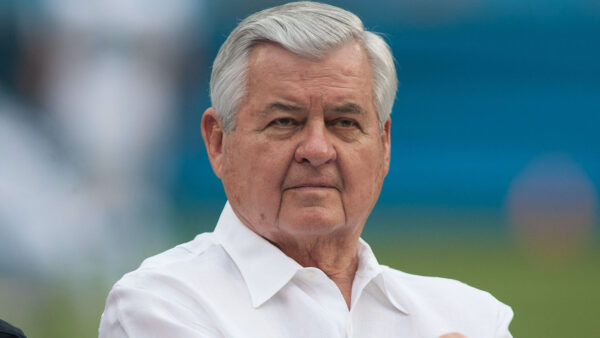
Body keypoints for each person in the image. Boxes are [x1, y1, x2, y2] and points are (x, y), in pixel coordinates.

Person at [99, 2, 513, 337]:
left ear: (384, 145)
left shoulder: (473, 317)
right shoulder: (161, 304)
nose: (317, 150)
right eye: (285, 122)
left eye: (344, 123)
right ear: (218, 142)